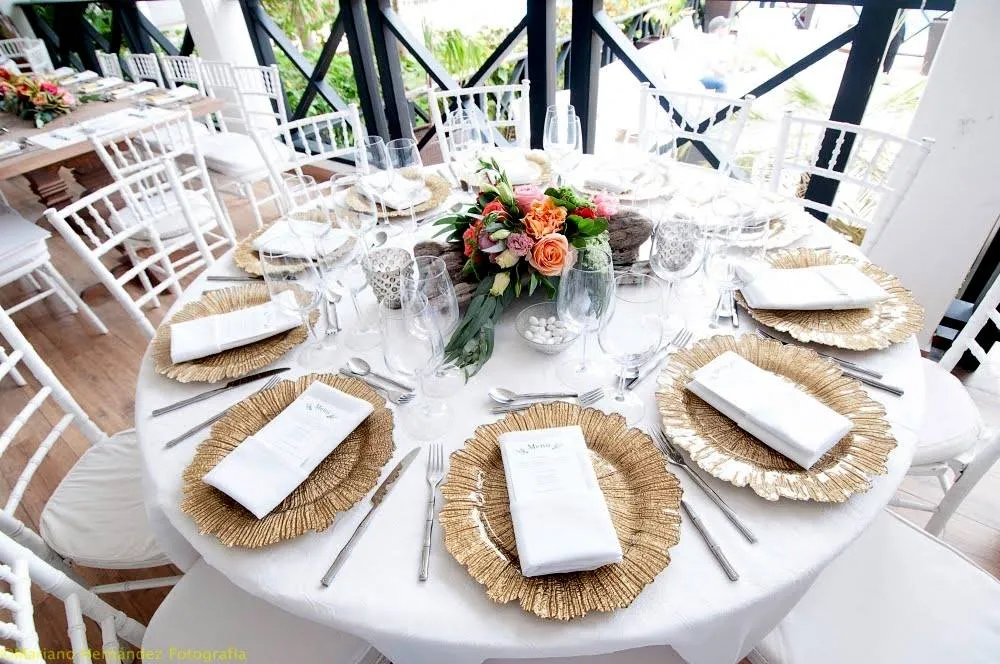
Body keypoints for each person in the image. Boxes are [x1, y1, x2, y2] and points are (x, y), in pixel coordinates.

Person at [699, 16, 732, 93]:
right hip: (701, 77)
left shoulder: (711, 39)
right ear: (719, 28)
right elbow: (711, 65)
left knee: (724, 80)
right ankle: (720, 104)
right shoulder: (712, 41)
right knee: (723, 84)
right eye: (726, 28)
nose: (727, 30)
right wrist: (726, 75)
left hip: (703, 75)